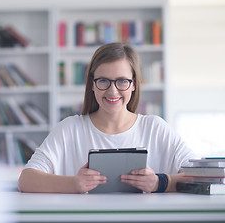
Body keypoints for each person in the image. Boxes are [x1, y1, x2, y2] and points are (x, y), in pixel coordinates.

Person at [18, 42, 196, 194]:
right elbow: (26, 180)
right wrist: (74, 184)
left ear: (134, 84)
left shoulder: (155, 128)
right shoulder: (69, 129)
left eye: (122, 81)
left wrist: (159, 182)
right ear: (92, 84)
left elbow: (201, 176)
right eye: (103, 81)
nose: (112, 91)